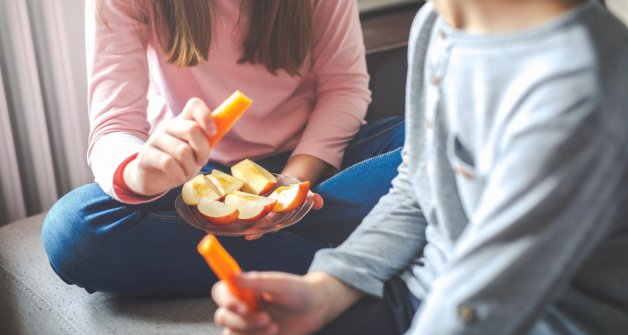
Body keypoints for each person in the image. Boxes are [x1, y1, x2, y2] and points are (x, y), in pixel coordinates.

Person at [210, 0, 628, 334]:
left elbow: (479, 306)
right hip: (426, 289)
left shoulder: (579, 88)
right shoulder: (439, 22)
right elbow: (416, 187)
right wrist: (328, 289)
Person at [41, 0, 405, 297]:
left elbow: (345, 87)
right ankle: (365, 256)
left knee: (434, 146)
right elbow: (114, 126)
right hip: (197, 178)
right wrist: (141, 173)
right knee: (72, 230)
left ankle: (353, 249)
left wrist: (289, 188)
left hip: (309, 166)